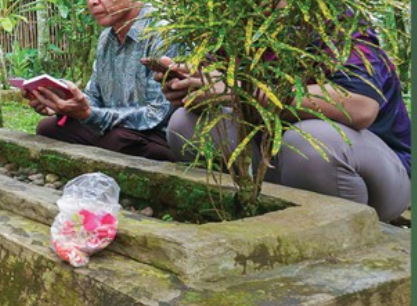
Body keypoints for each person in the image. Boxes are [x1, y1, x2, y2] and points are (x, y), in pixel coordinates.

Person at [156, 12, 411, 223]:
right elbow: (223, 88)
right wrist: (193, 88)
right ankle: (246, 218)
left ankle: (346, 239)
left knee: (311, 142)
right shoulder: (234, 23)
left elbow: (360, 107)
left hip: (377, 174)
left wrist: (238, 92)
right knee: (185, 124)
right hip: (276, 158)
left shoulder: (331, 17)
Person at [25, 0, 178, 161]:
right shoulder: (107, 37)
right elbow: (94, 98)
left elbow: (157, 116)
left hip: (153, 136)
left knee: (117, 142)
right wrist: (62, 101)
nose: (92, 1)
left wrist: (90, 114)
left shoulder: (161, 32)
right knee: (48, 128)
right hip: (112, 129)